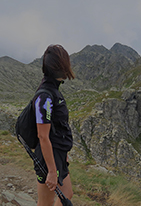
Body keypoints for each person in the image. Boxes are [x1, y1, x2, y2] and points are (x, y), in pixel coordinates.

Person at [33, 44, 75, 206]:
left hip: (57, 154)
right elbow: (42, 136)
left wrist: (63, 154)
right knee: (46, 202)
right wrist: (51, 171)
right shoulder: (45, 96)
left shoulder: (53, 90)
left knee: (67, 194)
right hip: (47, 157)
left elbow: (57, 127)